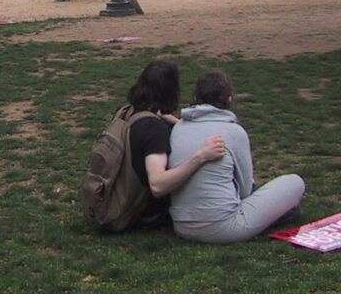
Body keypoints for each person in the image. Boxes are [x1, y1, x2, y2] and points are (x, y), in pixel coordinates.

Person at [169, 70, 305, 244]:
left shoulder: (179, 127)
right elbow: (245, 190)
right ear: (230, 99)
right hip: (222, 229)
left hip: (181, 225)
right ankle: (278, 215)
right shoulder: (234, 132)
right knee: (295, 182)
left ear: (195, 97)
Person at [127, 60, 226, 228]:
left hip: (124, 199)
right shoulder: (154, 129)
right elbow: (157, 185)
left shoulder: (128, 113)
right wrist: (201, 156)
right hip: (146, 214)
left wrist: (177, 123)